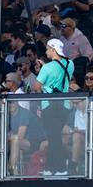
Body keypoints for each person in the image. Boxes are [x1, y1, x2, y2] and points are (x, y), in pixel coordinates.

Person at [31, 38, 74, 176]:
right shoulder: (70, 64)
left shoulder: (47, 68)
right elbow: (58, 72)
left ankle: (59, 168)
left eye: (48, 48)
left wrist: (42, 70)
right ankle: (52, 167)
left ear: (53, 50)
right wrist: (45, 66)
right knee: (54, 137)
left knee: (53, 137)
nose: (46, 51)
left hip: (49, 106)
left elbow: (36, 87)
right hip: (65, 105)